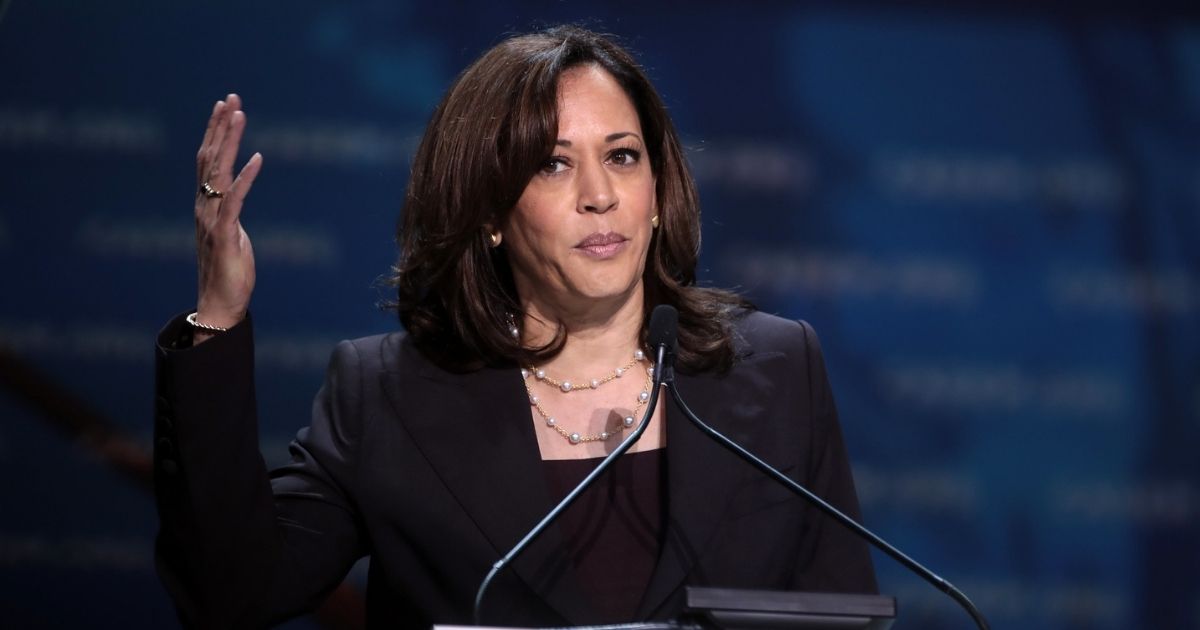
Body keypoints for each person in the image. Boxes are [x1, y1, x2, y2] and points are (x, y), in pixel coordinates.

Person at [154, 25, 876, 628]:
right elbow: (235, 592)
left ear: (657, 192)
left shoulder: (776, 370)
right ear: (491, 212)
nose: (600, 196)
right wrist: (217, 317)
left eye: (622, 157)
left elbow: (839, 610)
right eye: (552, 165)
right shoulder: (388, 396)